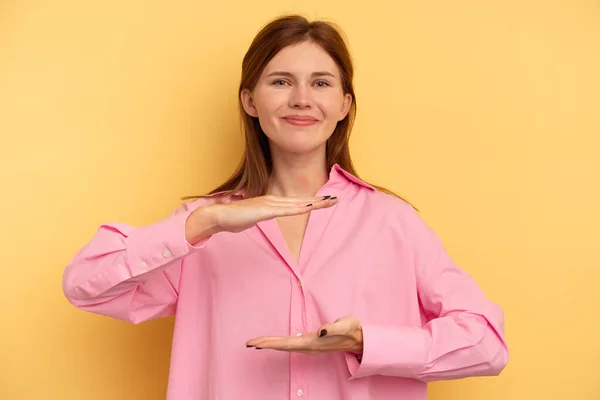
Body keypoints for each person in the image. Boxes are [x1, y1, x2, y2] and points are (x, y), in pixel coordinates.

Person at [62, 14, 509, 400]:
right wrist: (207, 221)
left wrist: (365, 343)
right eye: (281, 81)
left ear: (343, 104)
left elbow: (487, 343)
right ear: (250, 100)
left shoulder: (394, 222)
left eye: (321, 83)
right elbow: (84, 285)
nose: (301, 99)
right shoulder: (201, 231)